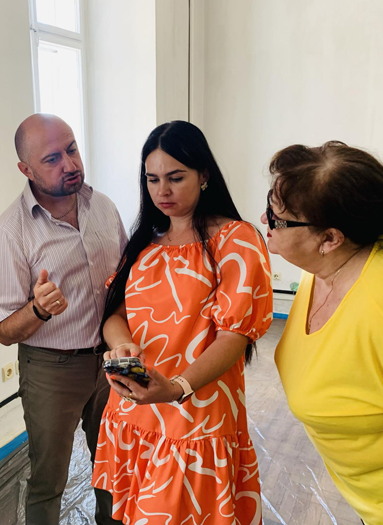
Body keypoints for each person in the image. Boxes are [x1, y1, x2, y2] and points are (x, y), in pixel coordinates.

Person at [264, 141, 383, 525]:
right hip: (381, 506)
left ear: (330, 238)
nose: (264, 221)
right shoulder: (324, 270)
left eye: (276, 219)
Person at [90, 120, 273, 525]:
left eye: (176, 178)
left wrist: (176, 388)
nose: (163, 191)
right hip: (135, 408)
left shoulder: (236, 240)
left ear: (204, 174)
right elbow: (115, 315)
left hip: (196, 414)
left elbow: (235, 336)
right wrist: (123, 345)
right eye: (152, 179)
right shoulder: (145, 243)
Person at [0, 113, 127, 525]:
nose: (69, 164)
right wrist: (38, 309)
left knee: (114, 465)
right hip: (51, 371)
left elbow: (124, 279)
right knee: (49, 479)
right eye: (52, 159)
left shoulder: (103, 206)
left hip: (110, 360)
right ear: (26, 170)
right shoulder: (10, 234)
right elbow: (3, 331)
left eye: (72, 149)